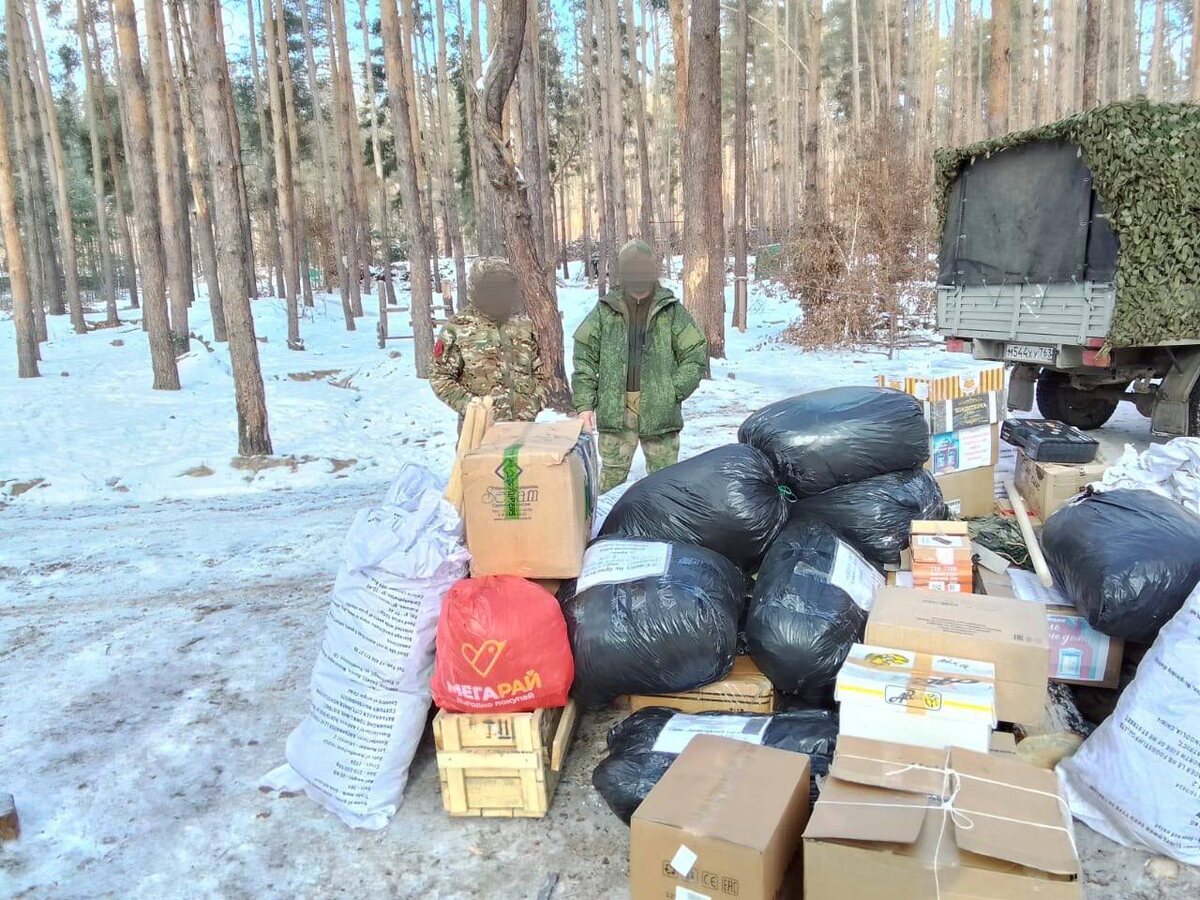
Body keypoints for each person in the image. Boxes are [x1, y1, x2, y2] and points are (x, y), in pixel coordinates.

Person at [572, 238, 708, 493]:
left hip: (659, 411)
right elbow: (584, 355)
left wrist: (672, 390)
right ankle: (606, 531)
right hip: (615, 409)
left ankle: (664, 531)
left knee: (665, 484)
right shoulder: (605, 310)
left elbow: (696, 353)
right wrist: (584, 404)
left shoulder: (671, 311)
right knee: (610, 482)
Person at [430, 257, 548, 424]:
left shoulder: (523, 326)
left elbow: (541, 372)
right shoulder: (458, 327)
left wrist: (534, 402)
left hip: (522, 428)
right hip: (478, 430)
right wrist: (474, 407)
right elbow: (440, 377)